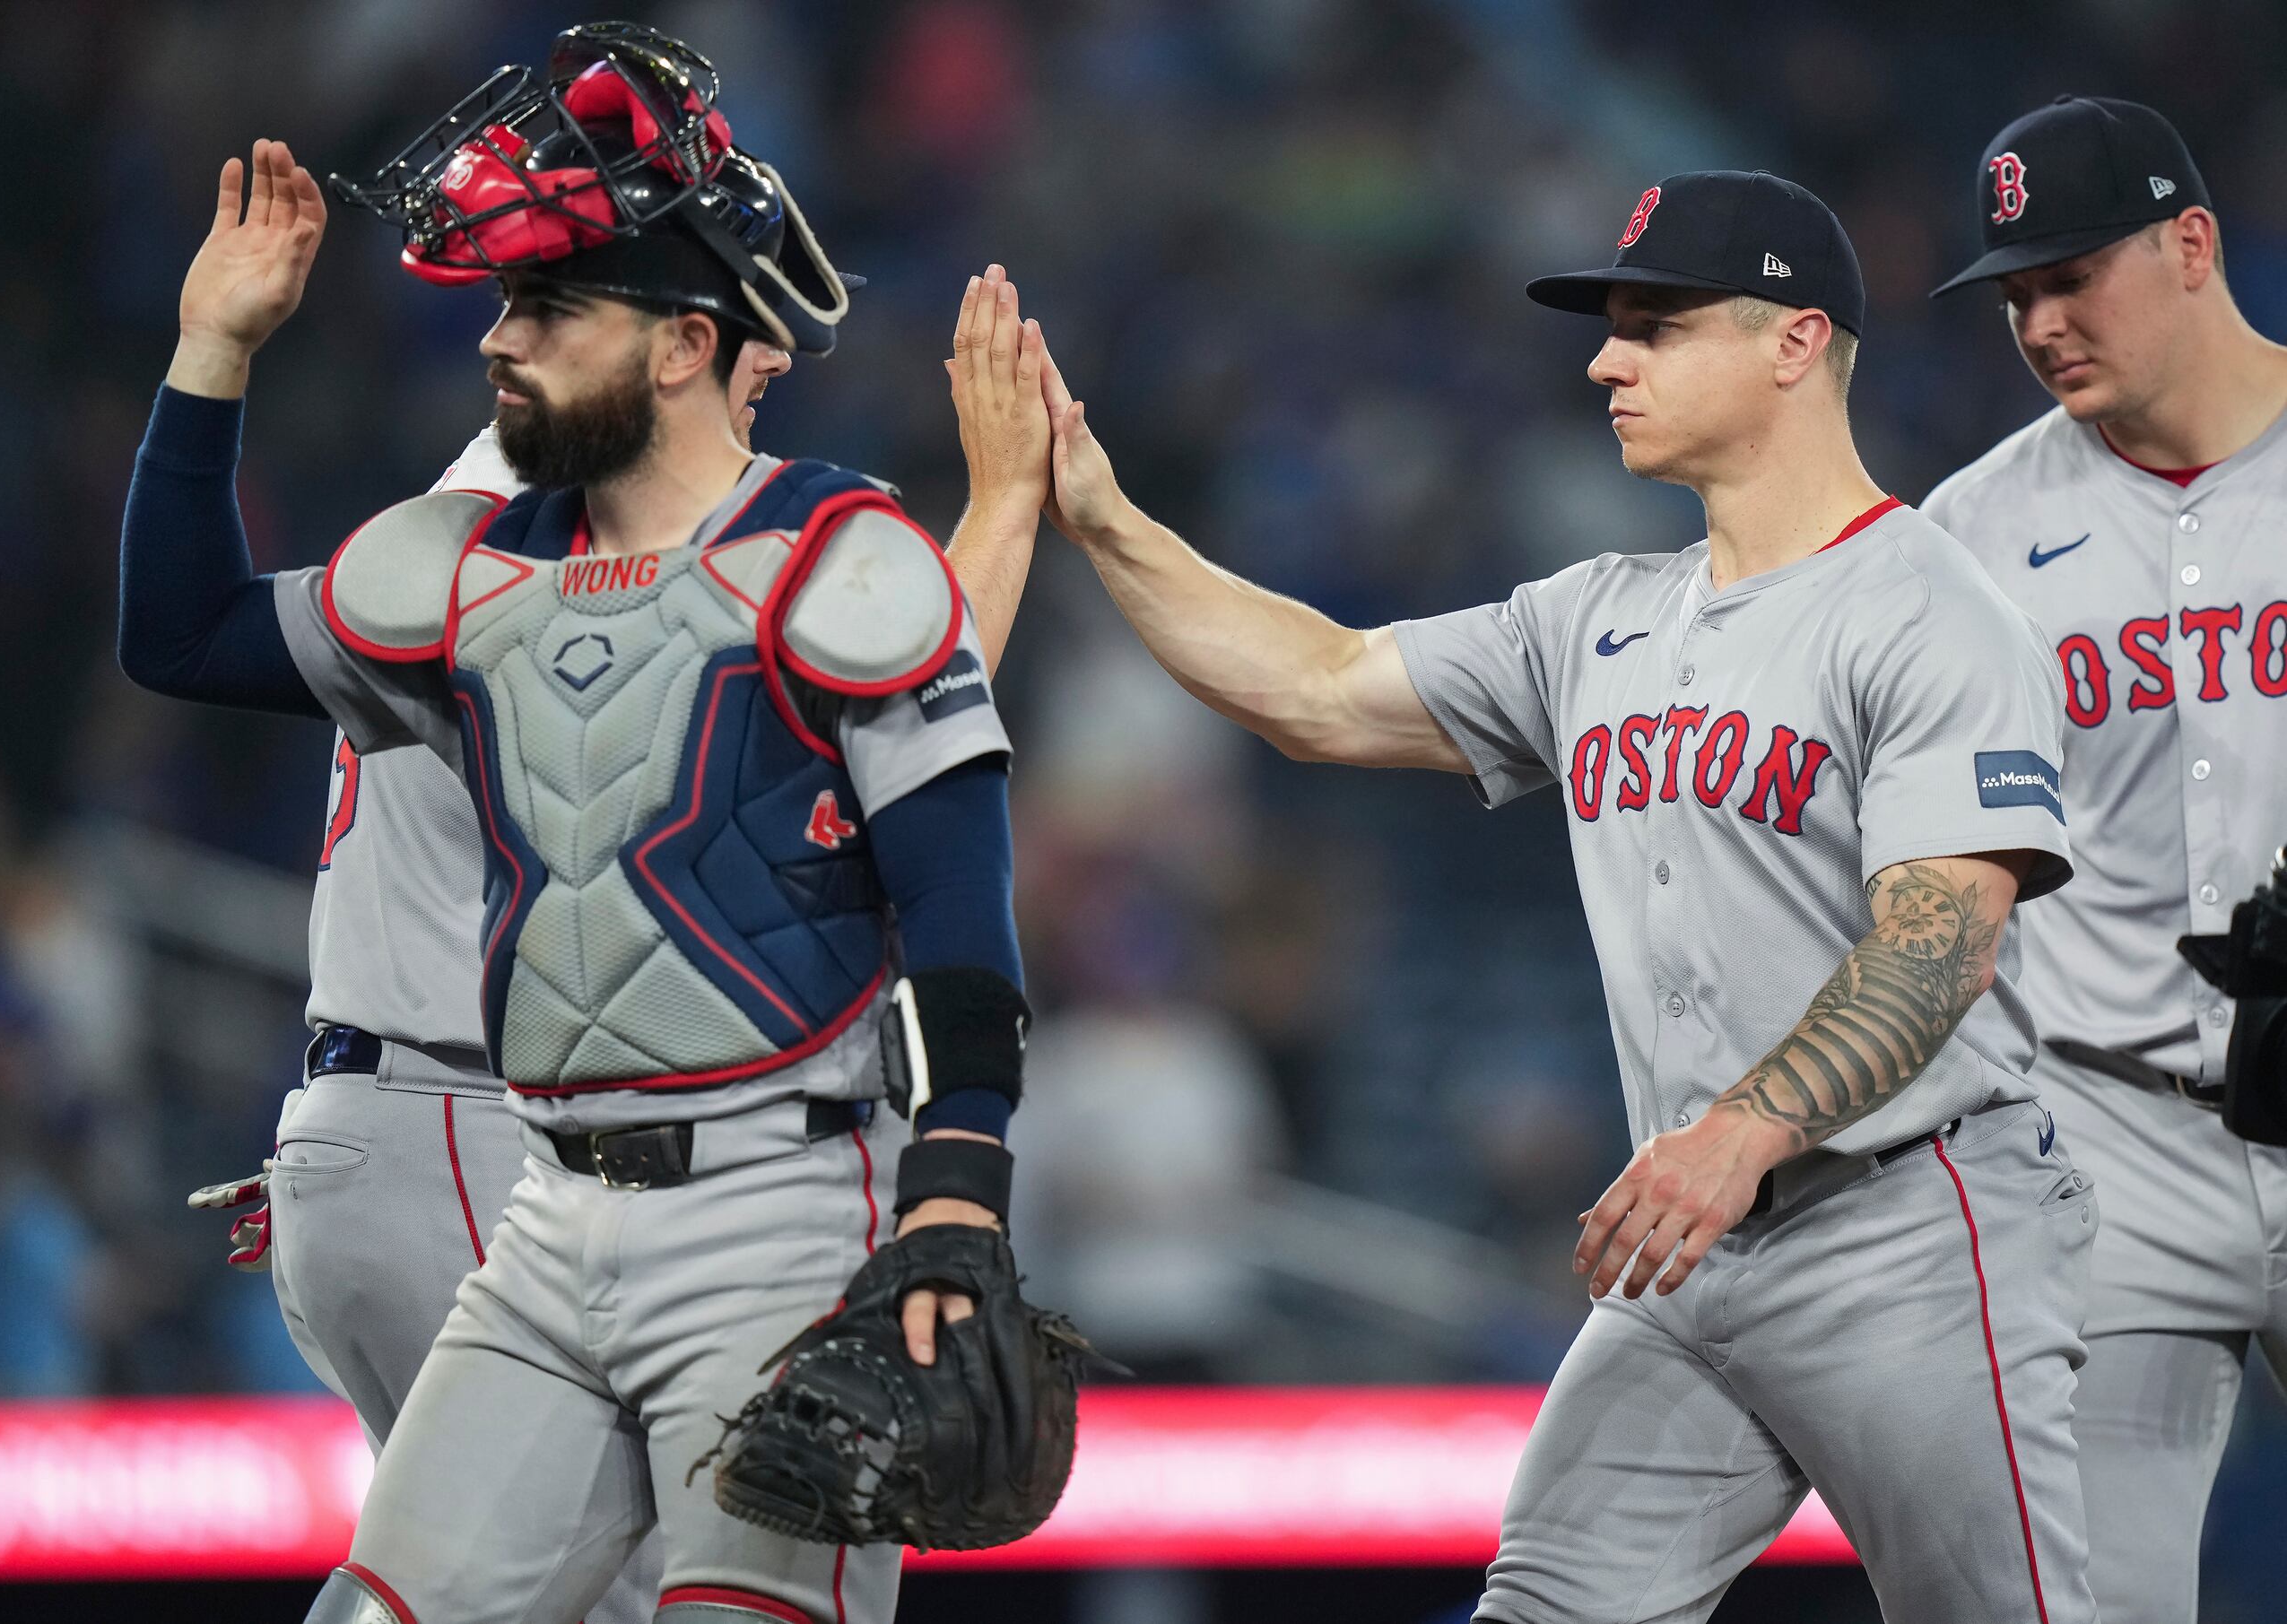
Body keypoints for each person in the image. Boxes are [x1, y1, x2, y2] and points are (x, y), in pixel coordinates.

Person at [954, 171, 2100, 1622]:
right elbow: (1316, 687)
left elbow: (1943, 940)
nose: (1605, 360)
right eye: (1612, 327)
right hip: (1692, 1251)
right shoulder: (1599, 615)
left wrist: (1741, 1130)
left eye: (1656, 327)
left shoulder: (1931, 608)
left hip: (1914, 1237)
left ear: (1796, 344)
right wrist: (1104, 517)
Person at [121, 25, 1029, 1624]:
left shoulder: (840, 555)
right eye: (503, 305)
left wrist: (961, 1182)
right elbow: (180, 633)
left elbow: (958, 899)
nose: (502, 340)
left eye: (548, 307)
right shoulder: (467, 573)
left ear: (686, 343)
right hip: (547, 1219)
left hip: (778, 1205)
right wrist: (214, 349)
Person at [1924, 95, 2287, 1624]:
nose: (2042, 320)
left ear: (2191, 244)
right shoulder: (1974, 538)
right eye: (2015, 291)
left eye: (2075, 274)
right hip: (2117, 1141)